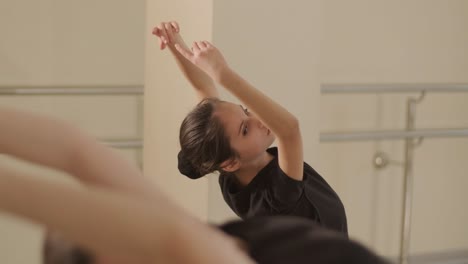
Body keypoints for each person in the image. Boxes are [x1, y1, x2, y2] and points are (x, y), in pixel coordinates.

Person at [0, 107, 391, 264]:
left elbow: (76, 151)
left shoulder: (208, 235)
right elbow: (170, 238)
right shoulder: (198, 250)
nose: (135, 221)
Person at [152, 21, 348, 235]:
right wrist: (223, 73)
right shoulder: (275, 197)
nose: (259, 119)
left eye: (245, 111)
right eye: (245, 129)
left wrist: (174, 43)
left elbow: (203, 87)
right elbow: (289, 130)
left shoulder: (229, 171)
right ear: (231, 162)